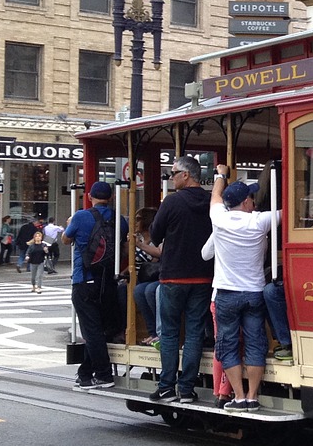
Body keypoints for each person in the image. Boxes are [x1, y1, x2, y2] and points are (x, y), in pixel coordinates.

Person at [209, 166, 278, 410]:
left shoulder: (218, 218)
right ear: (246, 201)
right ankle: (252, 396)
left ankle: (237, 397)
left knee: (228, 345)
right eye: (251, 197)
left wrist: (220, 174)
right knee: (255, 343)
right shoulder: (260, 221)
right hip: (254, 293)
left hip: (226, 293)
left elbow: (216, 196)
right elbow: (287, 212)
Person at [149, 156, 214, 404]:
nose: (171, 177)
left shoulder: (172, 202)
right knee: (195, 332)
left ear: (186, 175)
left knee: (170, 333)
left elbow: (155, 235)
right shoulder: (211, 201)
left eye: (173, 173)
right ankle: (186, 389)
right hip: (203, 275)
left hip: (174, 276)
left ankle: (166, 386)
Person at [62, 181, 125, 390]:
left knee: (92, 331)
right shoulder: (119, 220)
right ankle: (85, 374)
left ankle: (103, 374)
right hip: (108, 281)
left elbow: (65, 239)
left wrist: (70, 221)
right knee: (101, 329)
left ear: (89, 196)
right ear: (112, 198)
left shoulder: (81, 216)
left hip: (84, 279)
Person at [130, 208, 162, 345]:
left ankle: (159, 333)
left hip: (155, 276)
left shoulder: (157, 237)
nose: (135, 222)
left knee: (150, 291)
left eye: (138, 219)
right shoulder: (140, 237)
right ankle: (152, 332)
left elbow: (156, 257)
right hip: (141, 277)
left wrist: (138, 245)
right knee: (137, 290)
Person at [25, 229, 48, 293]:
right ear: (34, 238)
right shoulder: (32, 246)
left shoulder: (43, 245)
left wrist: (46, 250)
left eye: (39, 236)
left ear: (41, 238)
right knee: (33, 276)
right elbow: (28, 252)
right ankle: (33, 286)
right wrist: (27, 256)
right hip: (32, 262)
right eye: (36, 236)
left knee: (39, 275)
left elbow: (47, 254)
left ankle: (39, 287)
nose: (38, 237)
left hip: (40, 262)